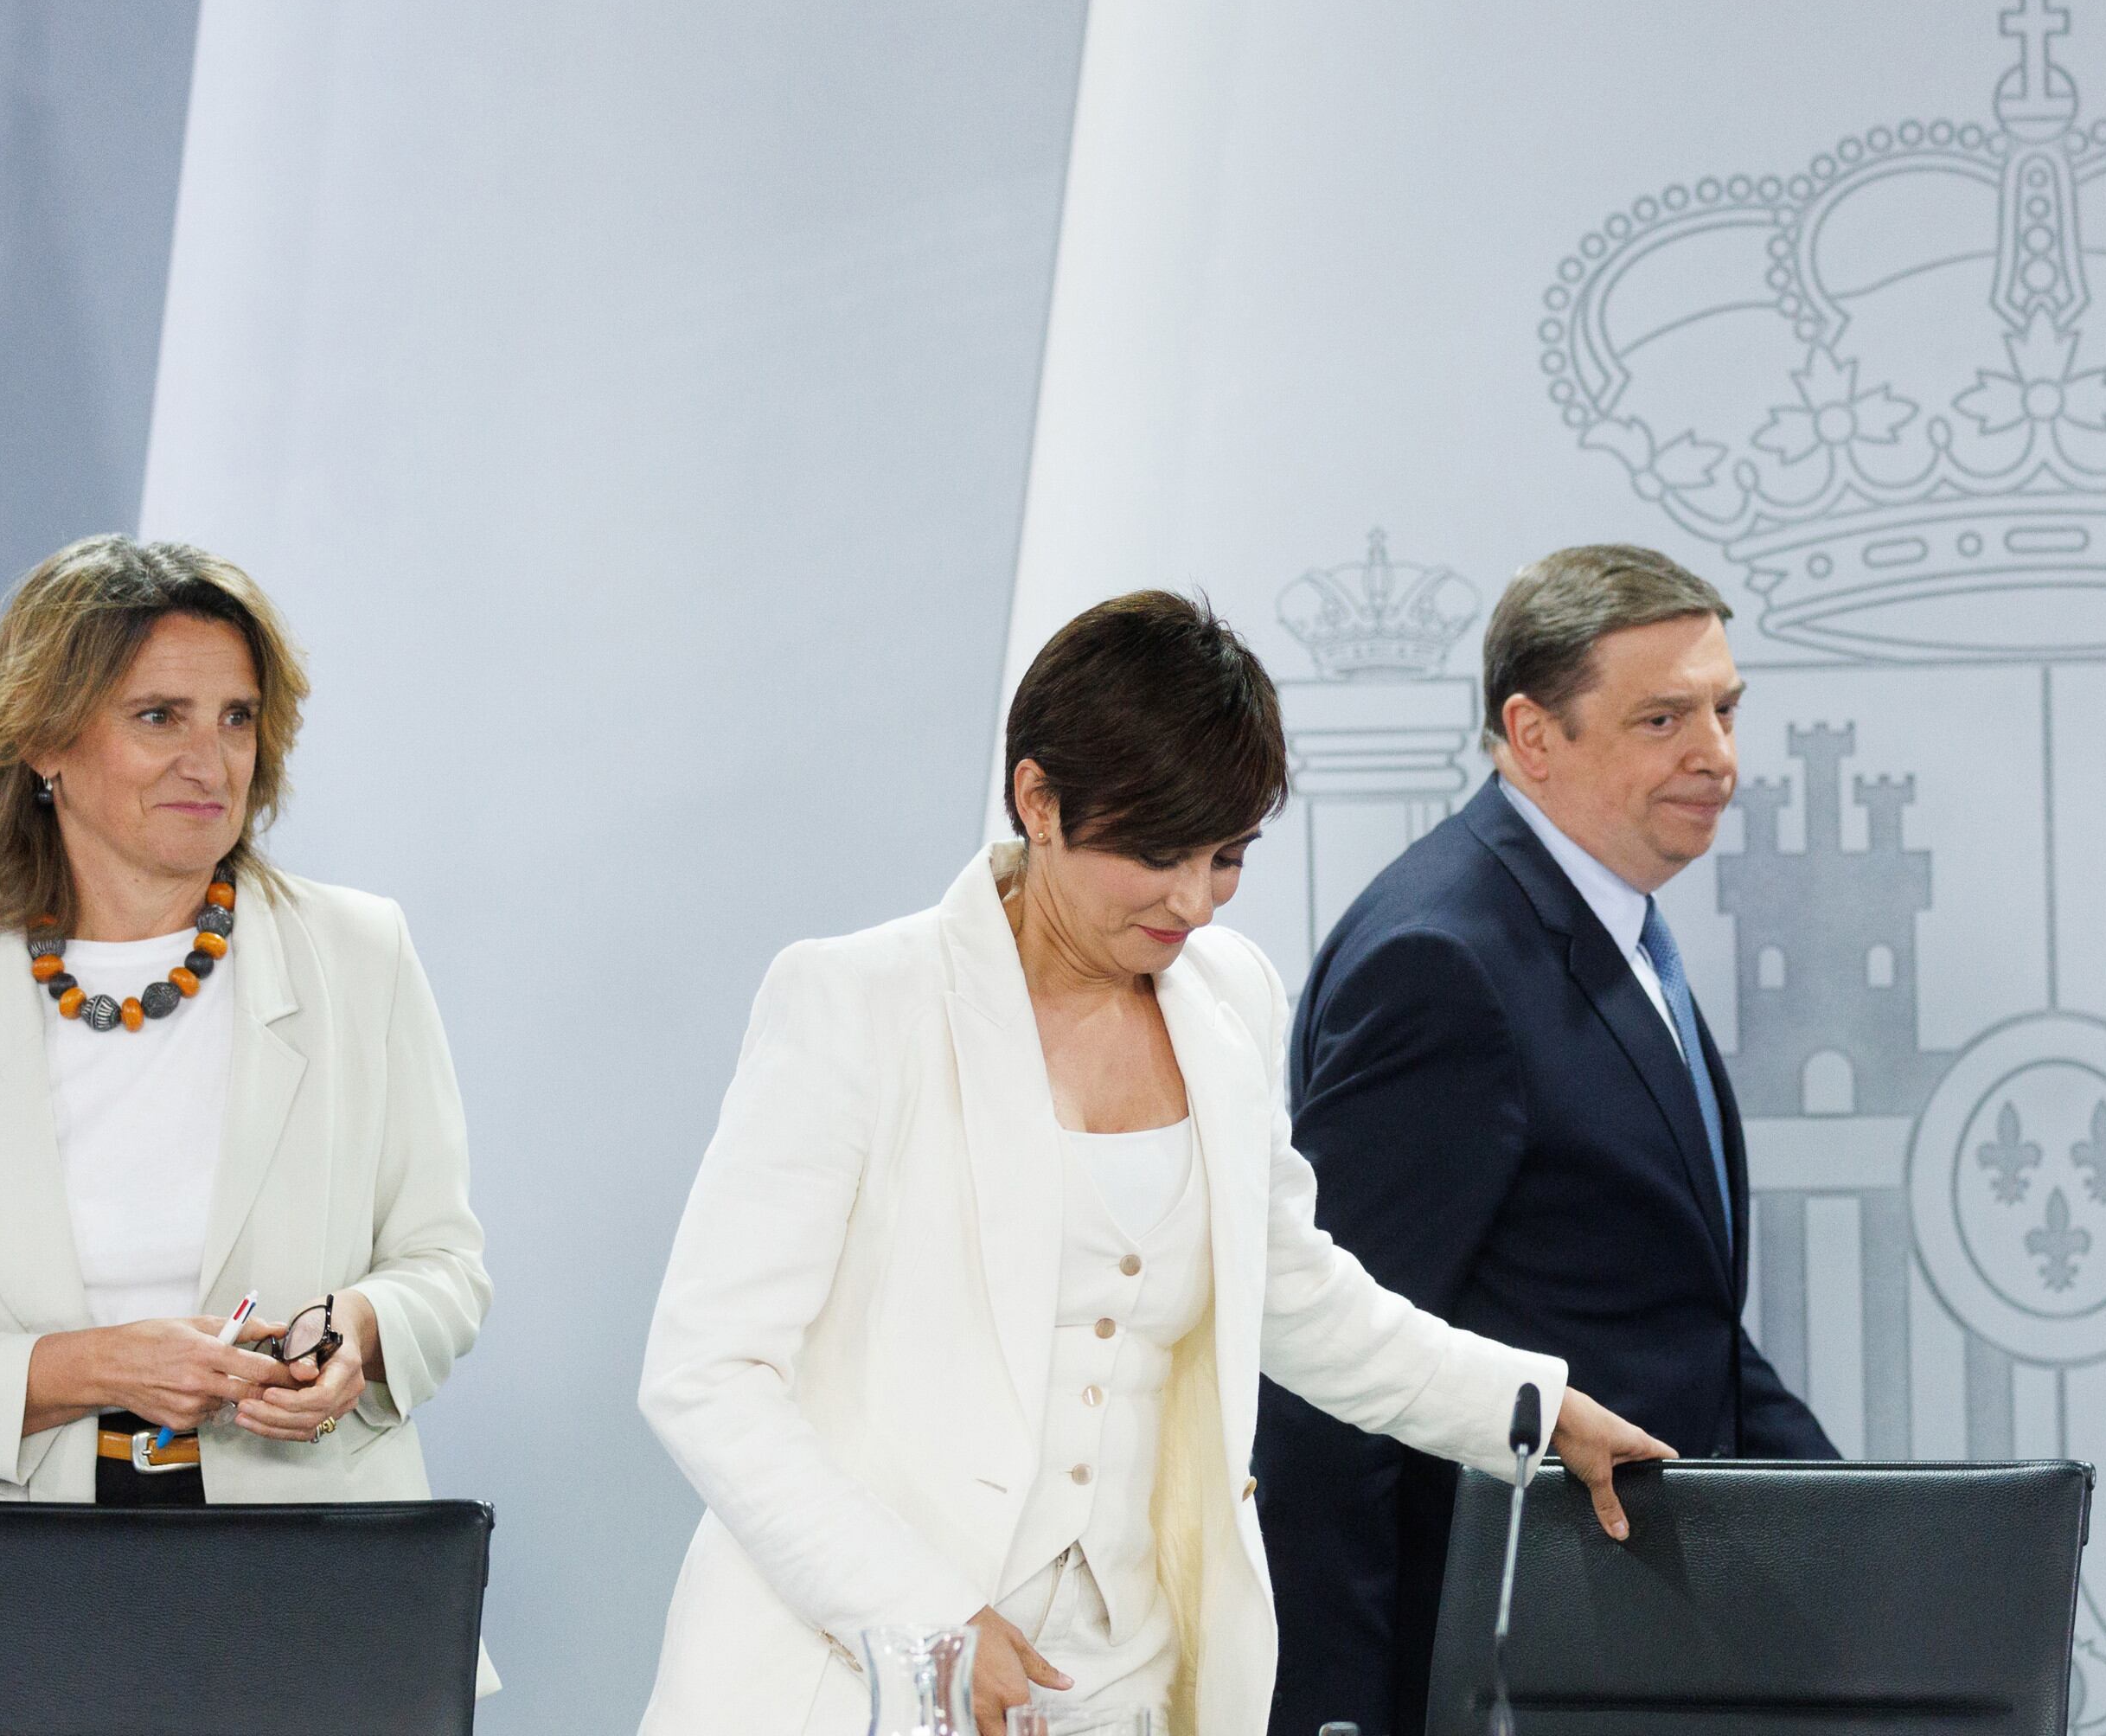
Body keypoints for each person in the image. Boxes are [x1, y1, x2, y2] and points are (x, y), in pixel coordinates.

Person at [635, 591, 1674, 1736]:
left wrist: (1535, 1409)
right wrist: (927, 1622)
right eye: (1155, 852)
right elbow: (708, 1374)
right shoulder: (856, 1003)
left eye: (1227, 857)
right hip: (854, 1678)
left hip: (1125, 1676)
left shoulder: (1228, 999)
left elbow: (1296, 1293)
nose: (1194, 902)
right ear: (1039, 800)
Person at [1254, 543, 1841, 1736]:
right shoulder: (1442, 962)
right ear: (1532, 734)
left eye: (1726, 711)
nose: (1716, 756)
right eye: (1663, 719)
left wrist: (1880, 1540)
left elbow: (1672, 1318)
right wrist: (1340, 1715)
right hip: (1504, 1664)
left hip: (1631, 1650)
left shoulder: (1606, 921)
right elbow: (1326, 1382)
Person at [0, 535, 490, 1525]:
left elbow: (445, 1268)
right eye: (159, 716)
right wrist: (99, 1367)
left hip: (309, 1553)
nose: (209, 762)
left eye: (237, 718)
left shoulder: (360, 954)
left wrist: (359, 1328)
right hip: (18, 1570)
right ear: (45, 741)